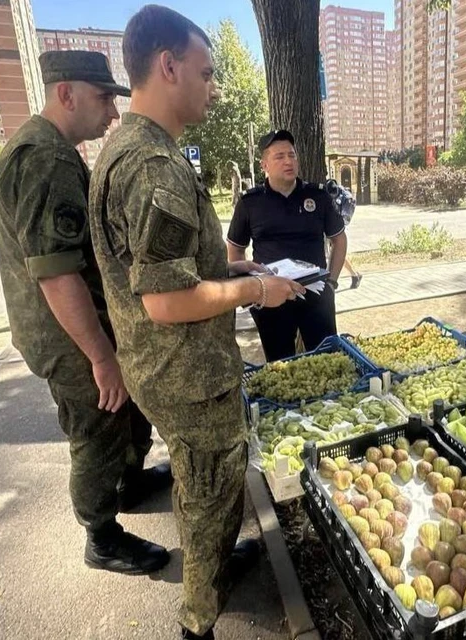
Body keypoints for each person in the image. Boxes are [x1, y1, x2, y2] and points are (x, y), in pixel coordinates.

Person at [86, 7, 306, 639]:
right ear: (168, 65)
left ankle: (211, 569)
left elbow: (166, 271)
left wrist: (238, 272)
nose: (215, 86)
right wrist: (256, 290)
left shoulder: (125, 148)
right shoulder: (154, 166)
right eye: (207, 73)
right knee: (210, 492)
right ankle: (197, 621)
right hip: (187, 373)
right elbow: (167, 301)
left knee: (197, 483)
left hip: (161, 365)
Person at [0, 50, 171, 577]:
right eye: (102, 99)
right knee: (97, 424)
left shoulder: (55, 150)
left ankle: (131, 481)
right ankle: (102, 533)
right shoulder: (43, 158)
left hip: (86, 325)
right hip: (70, 337)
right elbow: (55, 273)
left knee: (125, 412)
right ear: (64, 93)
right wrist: (99, 355)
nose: (113, 114)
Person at [227, 129, 348, 362]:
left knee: (326, 361)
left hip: (316, 294)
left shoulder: (318, 196)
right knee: (279, 363)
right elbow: (235, 248)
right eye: (279, 156)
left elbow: (339, 240)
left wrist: (331, 282)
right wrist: (246, 288)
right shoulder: (250, 203)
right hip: (270, 297)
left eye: (292, 155)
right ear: (265, 165)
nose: (288, 161)